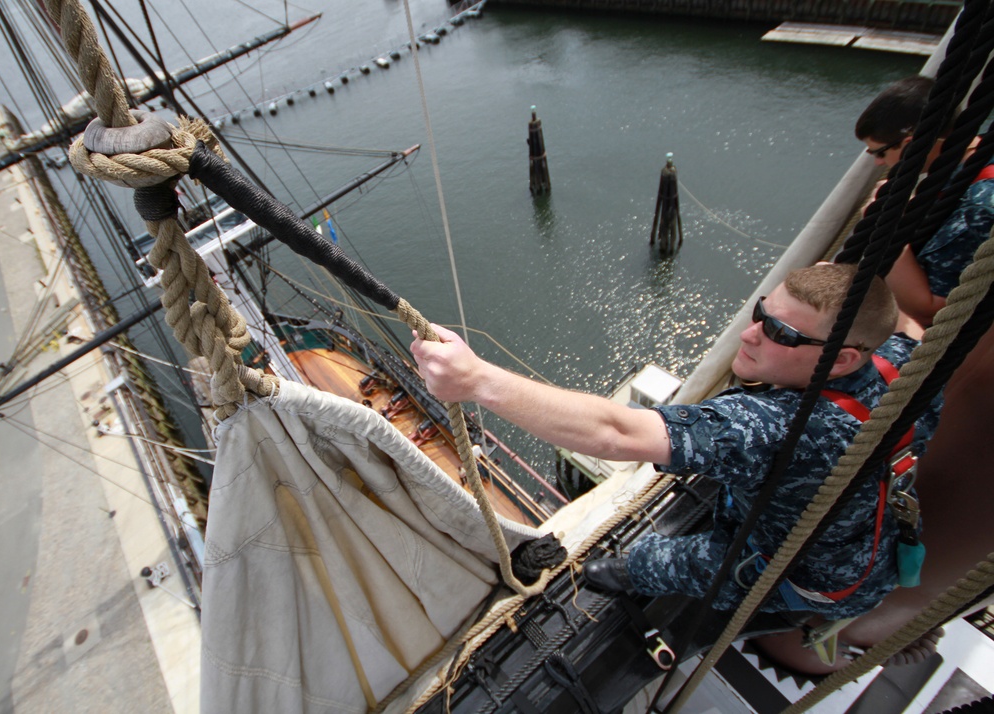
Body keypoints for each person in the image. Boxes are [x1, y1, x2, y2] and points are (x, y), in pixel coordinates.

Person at [411, 263, 939, 619]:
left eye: (782, 334)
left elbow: (615, 432)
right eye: (761, 312)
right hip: (872, 549)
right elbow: (905, 320)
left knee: (645, 559)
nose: (751, 333)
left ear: (844, 358)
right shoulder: (904, 361)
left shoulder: (775, 427)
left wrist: (477, 381)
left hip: (809, 580)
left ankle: (630, 576)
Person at [855, 75, 994, 332]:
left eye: (880, 152)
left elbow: (929, 310)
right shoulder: (978, 153)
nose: (878, 163)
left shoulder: (978, 206)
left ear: (912, 145)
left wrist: (884, 225)